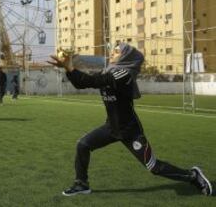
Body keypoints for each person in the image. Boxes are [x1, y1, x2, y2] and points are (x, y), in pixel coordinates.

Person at [48, 43, 212, 196]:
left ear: (126, 57)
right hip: (111, 128)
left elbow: (92, 81)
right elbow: (81, 84)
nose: (112, 53)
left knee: (153, 167)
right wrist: (68, 69)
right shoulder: (109, 71)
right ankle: (81, 184)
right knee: (83, 145)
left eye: (117, 51)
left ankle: (193, 176)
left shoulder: (123, 74)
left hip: (129, 130)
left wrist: (70, 67)